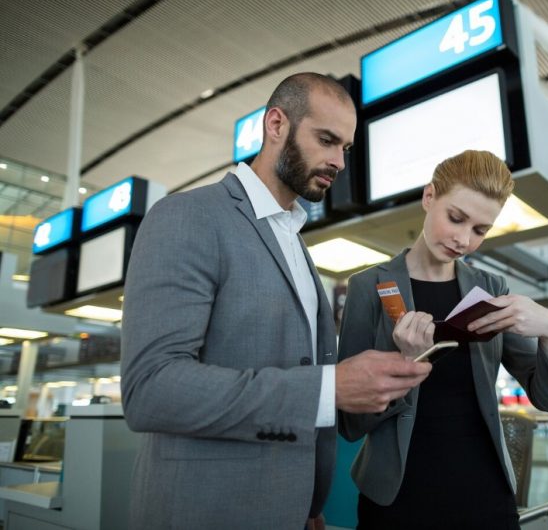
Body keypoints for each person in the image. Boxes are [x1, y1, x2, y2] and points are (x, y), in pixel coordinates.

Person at [120, 72, 432, 530]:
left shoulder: (297, 247)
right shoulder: (187, 217)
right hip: (203, 513)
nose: (339, 162)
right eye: (326, 140)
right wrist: (328, 389)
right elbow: (152, 389)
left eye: (344, 148)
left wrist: (305, 504)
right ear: (275, 125)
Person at [337, 150, 548, 529]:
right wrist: (407, 365)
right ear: (429, 197)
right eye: (456, 218)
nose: (464, 239)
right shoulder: (369, 287)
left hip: (484, 489)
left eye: (481, 230)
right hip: (399, 493)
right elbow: (350, 422)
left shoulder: (490, 288)